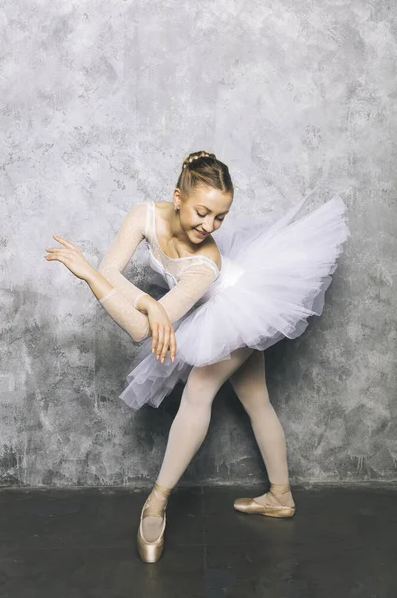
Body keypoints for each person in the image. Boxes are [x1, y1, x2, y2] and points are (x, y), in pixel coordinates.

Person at [44, 150, 350, 564]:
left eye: (220, 218)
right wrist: (148, 303)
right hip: (216, 308)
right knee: (255, 398)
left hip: (239, 306)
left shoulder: (205, 263)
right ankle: (280, 496)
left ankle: (156, 502)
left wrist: (119, 293)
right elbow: (113, 273)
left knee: (198, 392)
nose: (209, 226)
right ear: (177, 197)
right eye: (202, 213)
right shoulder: (143, 215)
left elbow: (139, 329)